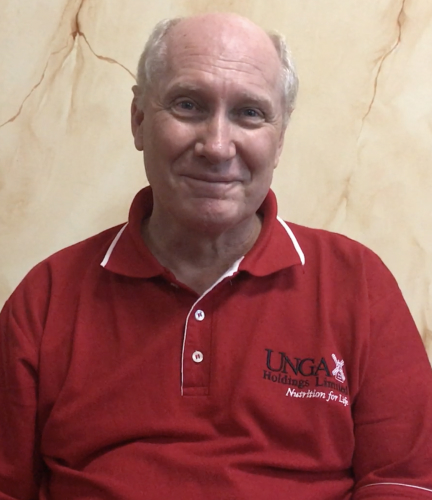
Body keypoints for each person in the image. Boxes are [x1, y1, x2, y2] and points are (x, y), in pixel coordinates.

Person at [0, 12, 431, 500]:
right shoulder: (47, 298)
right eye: (188, 105)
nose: (218, 146)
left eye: (249, 113)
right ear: (138, 120)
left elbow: (405, 482)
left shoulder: (357, 283)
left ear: (280, 139)